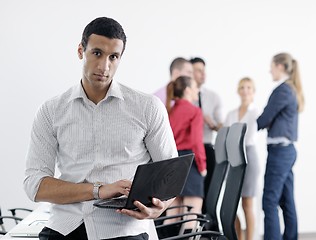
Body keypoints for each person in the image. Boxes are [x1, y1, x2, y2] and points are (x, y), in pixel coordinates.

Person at [23, 17, 178, 240]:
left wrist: (160, 207)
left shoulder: (147, 107)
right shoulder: (51, 111)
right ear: (80, 51)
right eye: (97, 53)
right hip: (66, 226)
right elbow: (34, 185)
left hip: (125, 228)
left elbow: (170, 175)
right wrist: (99, 190)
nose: (104, 66)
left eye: (113, 57)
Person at [257, 52, 304, 240]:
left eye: (272, 66)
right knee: (286, 200)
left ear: (280, 67)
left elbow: (264, 118)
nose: (270, 70)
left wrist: (243, 127)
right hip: (286, 151)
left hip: (280, 153)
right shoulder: (290, 89)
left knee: (269, 201)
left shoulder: (283, 90)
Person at [166, 76, 207, 231]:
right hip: (190, 163)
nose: (198, 90)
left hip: (172, 163)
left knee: (172, 215)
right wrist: (202, 166)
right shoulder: (194, 111)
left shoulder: (169, 111)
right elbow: (197, 142)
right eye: (196, 87)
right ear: (188, 90)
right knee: (192, 215)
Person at [224, 77, 260, 240]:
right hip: (233, 159)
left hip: (249, 158)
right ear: (238, 91)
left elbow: (247, 137)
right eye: (242, 88)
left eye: (249, 88)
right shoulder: (231, 114)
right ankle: (238, 237)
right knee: (231, 205)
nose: (245, 91)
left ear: (253, 92)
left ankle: (250, 238)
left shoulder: (255, 113)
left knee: (247, 203)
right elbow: (226, 136)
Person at [189, 57, 223, 213]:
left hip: (207, 148)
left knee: (209, 192)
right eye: (198, 70)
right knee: (192, 193)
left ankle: (207, 226)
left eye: (204, 70)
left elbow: (221, 127)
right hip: (189, 151)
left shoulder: (214, 96)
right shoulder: (184, 97)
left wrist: (213, 124)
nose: (203, 74)